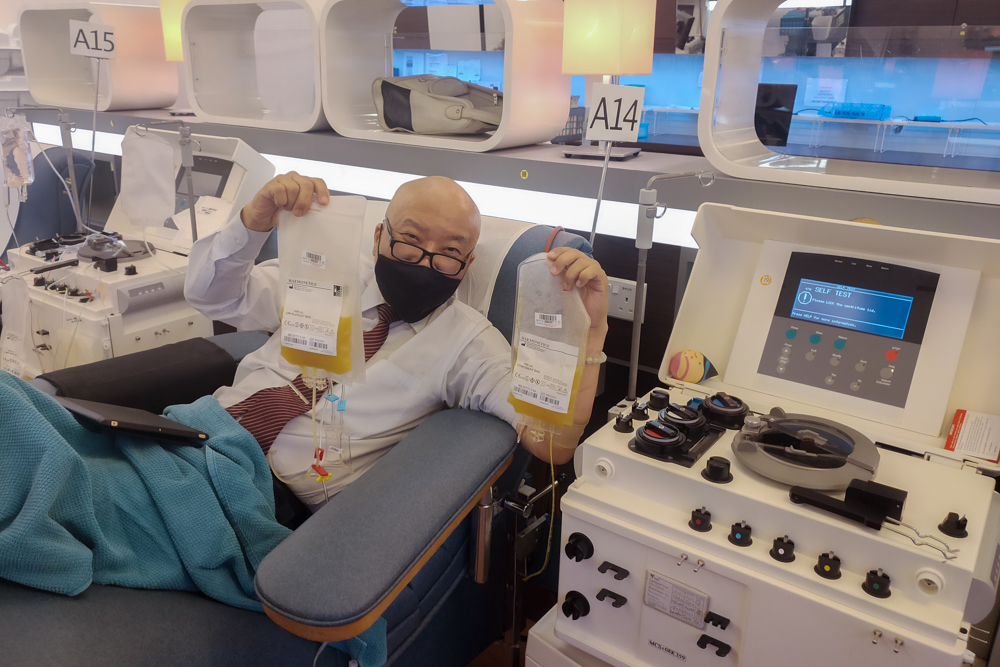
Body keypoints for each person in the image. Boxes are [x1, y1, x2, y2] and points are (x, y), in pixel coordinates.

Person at [185, 173, 609, 510]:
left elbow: (552, 442)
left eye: (449, 251)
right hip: (198, 432)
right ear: (378, 237)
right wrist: (253, 222)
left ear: (467, 265)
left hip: (268, 494)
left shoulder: (468, 343)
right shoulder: (327, 274)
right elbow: (213, 297)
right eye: (410, 239)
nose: (425, 259)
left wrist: (590, 332)